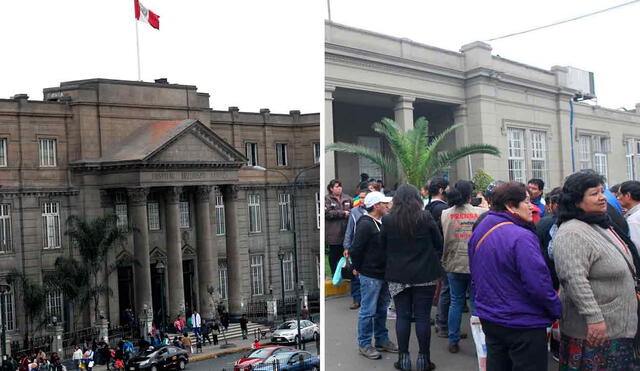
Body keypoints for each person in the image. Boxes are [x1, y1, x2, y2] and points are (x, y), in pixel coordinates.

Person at [469, 182, 561, 371]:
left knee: (498, 364)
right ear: (510, 205)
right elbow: (538, 282)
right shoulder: (521, 236)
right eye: (526, 202)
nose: (532, 207)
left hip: (491, 316)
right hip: (522, 321)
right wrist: (556, 308)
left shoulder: (482, 226)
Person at [553, 171, 638, 370]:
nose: (602, 197)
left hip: (616, 327)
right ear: (576, 201)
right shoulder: (572, 232)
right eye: (594, 193)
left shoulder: (597, 223)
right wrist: (594, 318)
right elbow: (573, 279)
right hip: (595, 333)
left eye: (602, 191)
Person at [380, 184, 444, 370]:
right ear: (417, 199)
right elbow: (438, 242)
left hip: (398, 275)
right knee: (423, 317)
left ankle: (404, 358)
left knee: (403, 316)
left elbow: (382, 245)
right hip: (425, 273)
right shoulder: (425, 217)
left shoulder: (388, 220)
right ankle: (424, 359)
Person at [350, 191, 398, 360]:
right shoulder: (365, 224)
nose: (387, 206)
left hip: (383, 273)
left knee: (381, 309)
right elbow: (355, 250)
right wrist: (358, 268)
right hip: (370, 275)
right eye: (384, 203)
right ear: (376, 206)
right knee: (368, 311)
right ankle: (364, 343)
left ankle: (381, 339)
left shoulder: (381, 221)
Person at [440, 180, 486, 353]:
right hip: (476, 263)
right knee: (476, 303)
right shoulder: (482, 212)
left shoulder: (445, 213)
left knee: (456, 302)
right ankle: (480, 342)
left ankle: (453, 339)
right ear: (470, 195)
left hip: (453, 263)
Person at [343, 186, 370, 310]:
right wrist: (347, 247)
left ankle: (367, 299)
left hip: (370, 248)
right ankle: (356, 299)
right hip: (356, 247)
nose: (362, 200)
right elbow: (349, 230)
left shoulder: (374, 210)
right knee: (355, 274)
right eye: (361, 197)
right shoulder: (354, 211)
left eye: (364, 197)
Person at [325, 179, 353, 275]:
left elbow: (353, 211)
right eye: (336, 186)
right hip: (334, 233)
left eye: (340, 186)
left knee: (346, 254)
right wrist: (342, 213)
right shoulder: (327, 199)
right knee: (334, 254)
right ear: (331, 188)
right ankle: (334, 274)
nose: (339, 188)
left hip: (346, 231)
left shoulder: (348, 198)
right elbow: (327, 213)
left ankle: (346, 274)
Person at [618, 180, 640, 250]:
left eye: (619, 194)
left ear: (628, 196)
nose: (618, 198)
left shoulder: (633, 220)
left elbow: (636, 247)